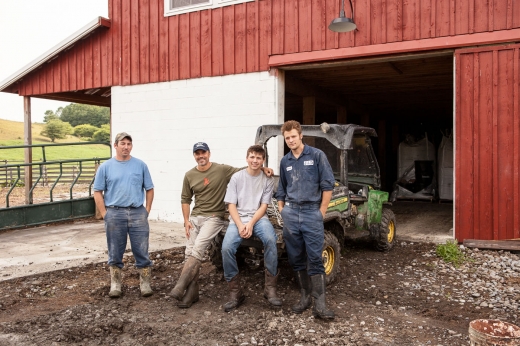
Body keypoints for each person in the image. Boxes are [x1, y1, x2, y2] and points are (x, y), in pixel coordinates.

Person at [171, 142, 273, 308]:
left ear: (209, 154)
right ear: (194, 156)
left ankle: (180, 286)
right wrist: (186, 220)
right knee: (188, 252)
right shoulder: (189, 175)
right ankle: (192, 292)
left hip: (213, 217)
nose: (201, 156)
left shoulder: (221, 170)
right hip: (195, 217)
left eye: (203, 152)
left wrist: (263, 168)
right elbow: (185, 199)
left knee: (198, 249)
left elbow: (246, 168)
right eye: (197, 153)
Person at [276, 120, 336, 319]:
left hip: (312, 213)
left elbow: (328, 185)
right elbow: (282, 189)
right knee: (295, 257)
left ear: (300, 135)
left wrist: (321, 211)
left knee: (315, 258)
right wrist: (282, 209)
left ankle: (320, 304)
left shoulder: (317, 156)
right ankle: (305, 297)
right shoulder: (285, 161)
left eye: (293, 136)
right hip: (291, 214)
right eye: (287, 138)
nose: (291, 140)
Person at [93, 132, 155, 298]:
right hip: (114, 213)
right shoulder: (105, 167)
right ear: (115, 146)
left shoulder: (140, 165)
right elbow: (97, 191)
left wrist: (146, 209)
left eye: (129, 144)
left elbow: (149, 188)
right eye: (122, 144)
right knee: (115, 249)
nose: (126, 147)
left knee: (141, 249)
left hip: (137, 212)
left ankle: (145, 282)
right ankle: (116, 283)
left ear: (131, 146)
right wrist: (105, 213)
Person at [221, 145, 281, 312]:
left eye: (258, 158)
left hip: (259, 218)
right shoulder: (236, 178)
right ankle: (235, 292)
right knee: (226, 248)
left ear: (263, 161)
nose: (255, 160)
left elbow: (263, 206)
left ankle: (270, 289)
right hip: (238, 219)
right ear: (247, 158)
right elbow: (231, 205)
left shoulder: (267, 179)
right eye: (252, 157)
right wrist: (241, 225)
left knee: (271, 240)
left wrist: (251, 224)